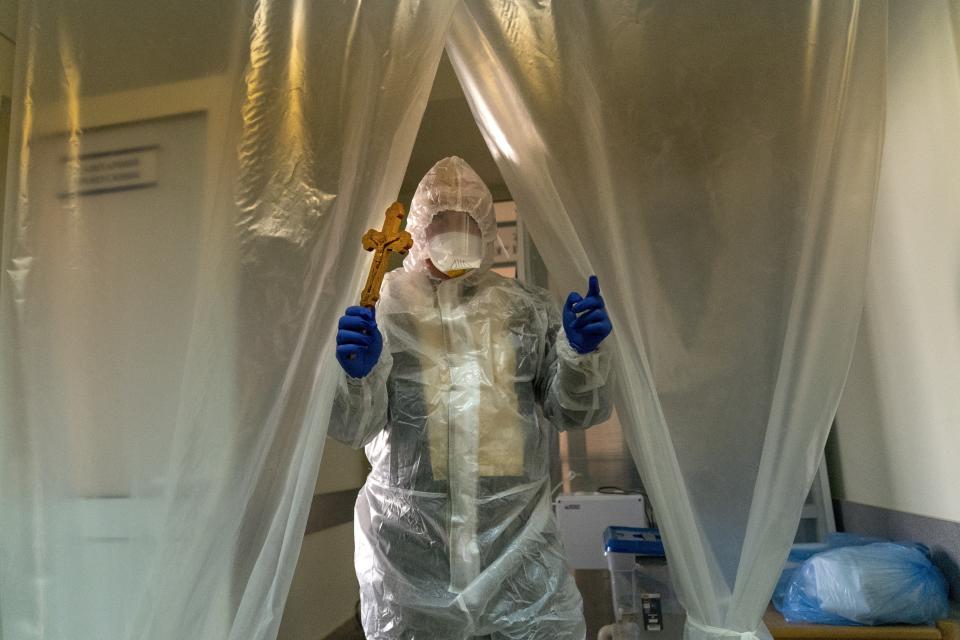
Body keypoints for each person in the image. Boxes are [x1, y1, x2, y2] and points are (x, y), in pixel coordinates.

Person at [329, 156, 614, 640]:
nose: (455, 231)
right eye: (443, 220)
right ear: (418, 228)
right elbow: (356, 427)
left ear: (484, 229)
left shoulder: (524, 309)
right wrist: (355, 378)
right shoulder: (383, 307)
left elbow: (570, 409)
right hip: (411, 561)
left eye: (467, 221)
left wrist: (581, 355)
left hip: (520, 556)